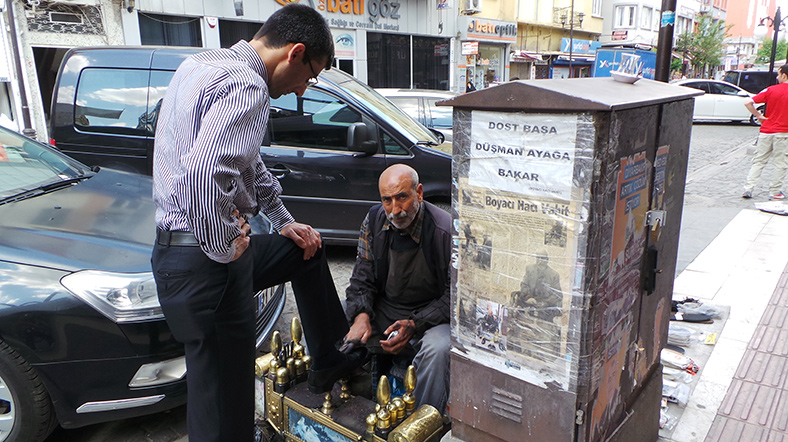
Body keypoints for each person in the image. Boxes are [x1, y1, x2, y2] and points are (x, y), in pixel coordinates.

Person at [151, 5, 363, 441]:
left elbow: (249, 163)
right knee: (224, 410)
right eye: (311, 76)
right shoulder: (250, 87)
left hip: (179, 256)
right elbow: (202, 175)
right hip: (206, 263)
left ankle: (329, 358)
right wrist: (225, 243)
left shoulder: (201, 64)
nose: (304, 89)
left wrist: (284, 221)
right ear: (295, 52)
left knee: (304, 249)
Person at [343, 164, 451, 413]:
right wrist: (361, 316)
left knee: (439, 348)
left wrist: (414, 325)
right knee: (333, 314)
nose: (395, 210)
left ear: (419, 193)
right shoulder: (373, 220)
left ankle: (422, 421)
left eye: (402, 197)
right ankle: (339, 395)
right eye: (387, 200)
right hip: (387, 310)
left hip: (430, 318)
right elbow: (362, 276)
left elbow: (454, 298)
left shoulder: (444, 231)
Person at [742, 64, 788, 200]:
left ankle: (748, 188)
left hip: (766, 130)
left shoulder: (770, 90)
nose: (777, 77)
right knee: (780, 163)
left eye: (778, 74)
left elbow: (748, 102)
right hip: (784, 133)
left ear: (784, 75)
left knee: (759, 161)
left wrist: (758, 115)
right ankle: (775, 191)